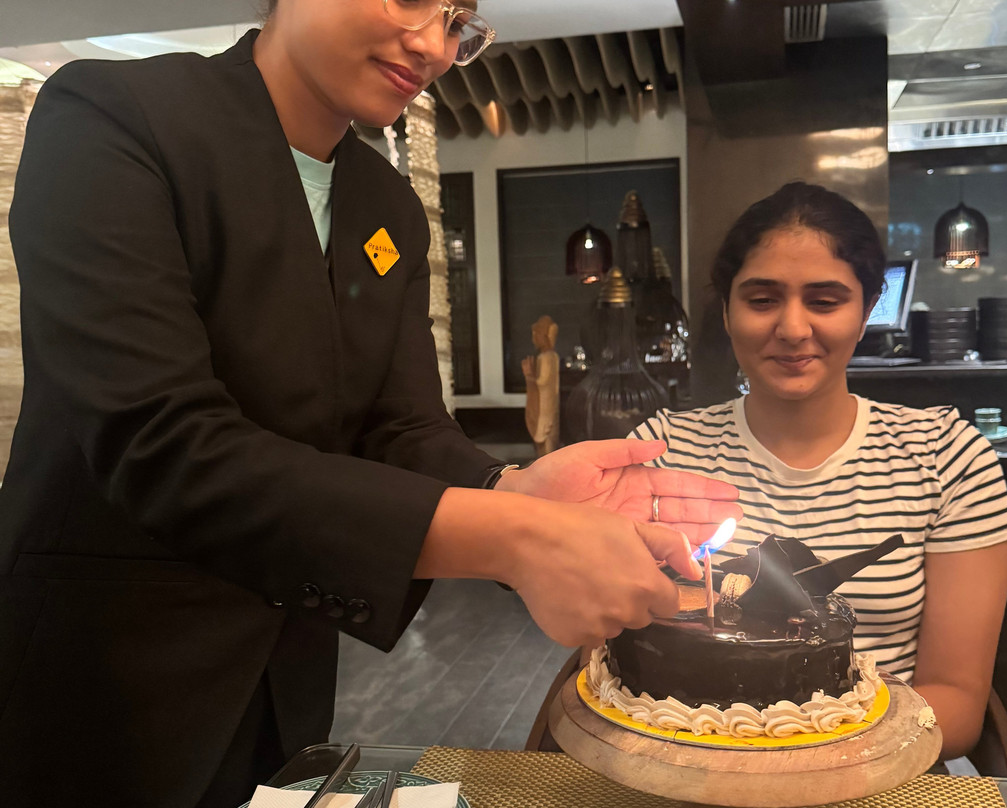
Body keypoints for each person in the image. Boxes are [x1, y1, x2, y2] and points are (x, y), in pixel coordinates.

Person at [0, 2, 742, 806]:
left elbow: (401, 425)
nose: (434, 46)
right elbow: (161, 439)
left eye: (458, 21)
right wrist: (512, 538)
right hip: (106, 674)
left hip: (285, 671)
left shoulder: (385, 203)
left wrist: (512, 489)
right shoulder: (116, 117)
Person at [630, 181, 1007, 761]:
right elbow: (613, 659)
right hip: (680, 768)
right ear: (728, 311)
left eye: (826, 301)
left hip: (880, 775)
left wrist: (803, 766)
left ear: (866, 310)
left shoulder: (946, 456)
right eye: (762, 299)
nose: (792, 328)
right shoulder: (657, 453)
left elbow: (957, 705)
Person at [522, 314, 560, 457]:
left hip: (545, 406)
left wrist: (529, 376)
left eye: (536, 335)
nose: (534, 339)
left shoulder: (546, 357)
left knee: (544, 438)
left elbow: (543, 382)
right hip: (547, 404)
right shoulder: (550, 356)